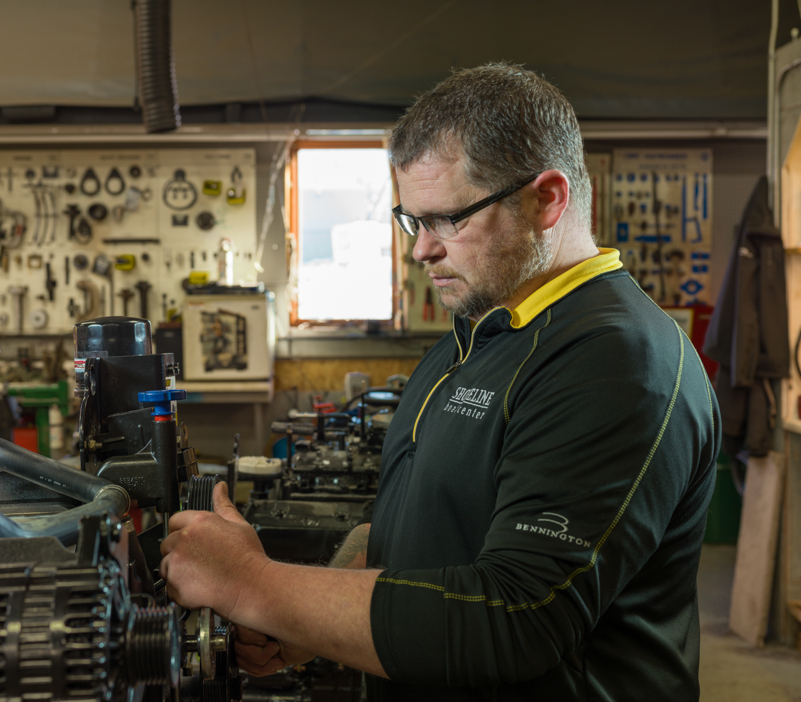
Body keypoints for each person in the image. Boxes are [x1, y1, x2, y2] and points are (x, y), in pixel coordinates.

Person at [160, 63, 719, 700]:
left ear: (547, 201)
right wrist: (302, 619)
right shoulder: (476, 334)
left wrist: (249, 583)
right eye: (412, 221)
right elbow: (409, 530)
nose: (421, 250)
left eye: (446, 220)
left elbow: (513, 618)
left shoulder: (616, 360)